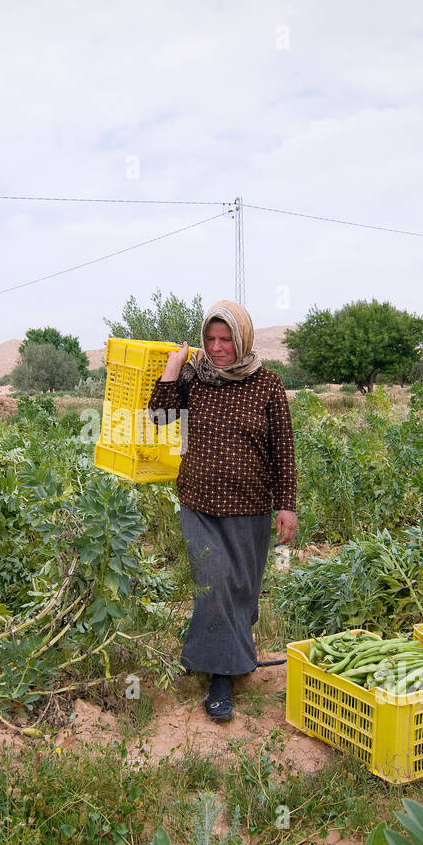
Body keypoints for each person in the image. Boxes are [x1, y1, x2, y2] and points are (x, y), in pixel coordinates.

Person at [146, 300, 297, 721]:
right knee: (213, 582)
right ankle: (221, 678)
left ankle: (217, 653)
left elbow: (283, 452)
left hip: (250, 507)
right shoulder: (196, 380)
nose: (216, 348)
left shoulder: (267, 385)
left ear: (242, 338)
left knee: (241, 590)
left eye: (225, 339)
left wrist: (287, 506)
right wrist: (175, 366)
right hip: (199, 502)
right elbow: (158, 417)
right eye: (210, 339)